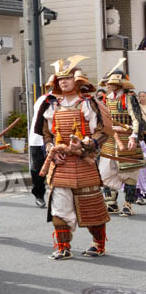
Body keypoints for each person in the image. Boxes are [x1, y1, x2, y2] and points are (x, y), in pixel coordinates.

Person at [33, 57, 110, 260]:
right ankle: (63, 246)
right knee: (59, 207)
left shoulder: (88, 103)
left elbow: (102, 132)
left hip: (84, 162)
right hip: (60, 164)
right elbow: (46, 134)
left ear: (77, 81)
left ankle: (98, 243)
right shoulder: (52, 105)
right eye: (60, 79)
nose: (63, 82)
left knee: (91, 206)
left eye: (67, 78)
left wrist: (85, 145)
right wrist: (52, 149)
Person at [97, 69, 145, 216]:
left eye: (111, 83)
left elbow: (136, 118)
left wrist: (133, 136)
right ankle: (111, 203)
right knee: (106, 171)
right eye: (107, 83)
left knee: (130, 173)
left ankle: (128, 204)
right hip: (109, 139)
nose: (108, 85)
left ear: (119, 84)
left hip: (127, 137)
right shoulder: (105, 99)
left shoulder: (129, 98)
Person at [28, 91, 51, 209]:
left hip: (62, 139)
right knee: (39, 169)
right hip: (39, 139)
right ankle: (39, 194)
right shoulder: (45, 99)